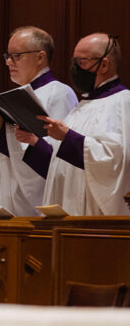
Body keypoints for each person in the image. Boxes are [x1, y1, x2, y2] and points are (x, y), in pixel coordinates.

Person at [0, 26, 77, 215]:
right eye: (7, 56)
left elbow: (58, 159)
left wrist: (2, 129)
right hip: (6, 194)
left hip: (34, 201)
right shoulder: (13, 97)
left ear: (40, 57)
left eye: (16, 56)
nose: (9, 62)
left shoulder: (59, 93)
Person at [40, 34, 130, 215]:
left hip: (94, 218)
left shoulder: (123, 102)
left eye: (82, 61)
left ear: (104, 65)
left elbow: (117, 161)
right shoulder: (81, 107)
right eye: (75, 61)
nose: (75, 68)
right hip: (68, 207)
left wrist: (68, 137)